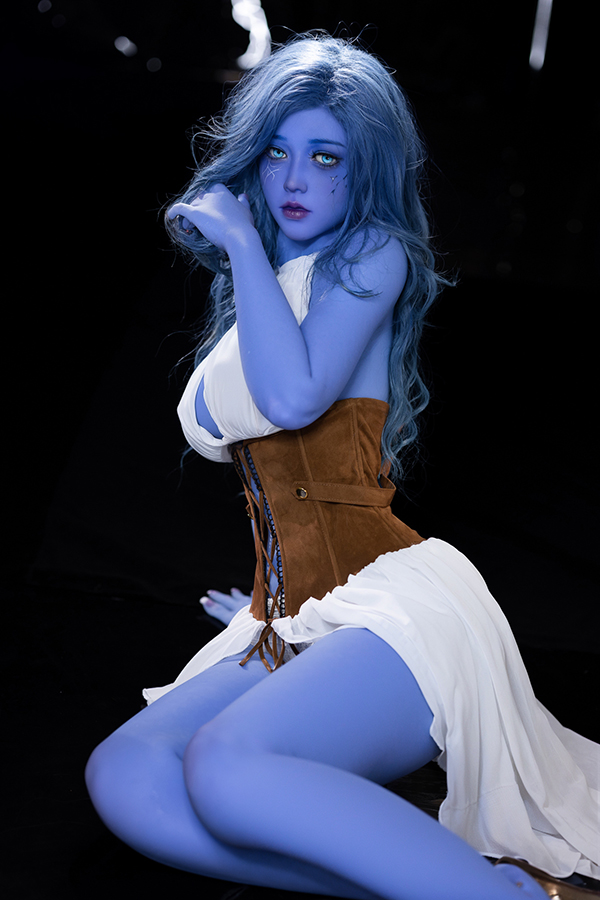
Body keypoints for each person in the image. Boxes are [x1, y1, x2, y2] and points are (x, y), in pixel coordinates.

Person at [85, 34, 599, 900]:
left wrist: (240, 243)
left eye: (326, 158)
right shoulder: (268, 287)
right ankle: (441, 884)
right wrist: (272, 600)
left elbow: (291, 400)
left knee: (224, 767)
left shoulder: (371, 255)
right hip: (300, 613)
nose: (295, 180)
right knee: (126, 773)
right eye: (276, 153)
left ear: (366, 170)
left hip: (400, 613)